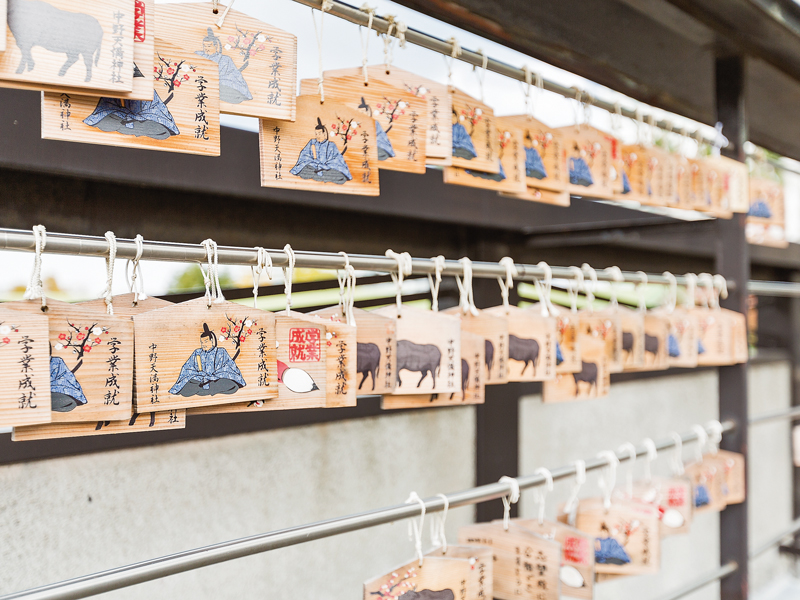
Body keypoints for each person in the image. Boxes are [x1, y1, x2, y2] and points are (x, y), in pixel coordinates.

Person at [170, 323, 245, 397]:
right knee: (187, 386)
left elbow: (229, 367)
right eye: (202, 342)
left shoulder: (221, 351)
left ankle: (204, 390)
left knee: (231, 385)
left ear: (211, 340)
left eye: (206, 341)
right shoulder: (197, 352)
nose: (203, 344)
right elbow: (187, 368)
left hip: (216, 380)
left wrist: (213, 376)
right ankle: (208, 390)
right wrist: (199, 374)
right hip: (200, 380)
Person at [83, 90, 180, 139]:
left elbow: (155, 112)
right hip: (122, 117)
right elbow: (107, 108)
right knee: (107, 122)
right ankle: (131, 126)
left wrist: (135, 118)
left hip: (145, 119)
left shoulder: (145, 87)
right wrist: (125, 115)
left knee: (161, 131)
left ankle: (133, 127)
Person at [196, 27, 253, 104]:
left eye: (209, 46)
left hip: (221, 84)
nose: (206, 48)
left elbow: (235, 75)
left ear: (216, 46)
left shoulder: (225, 59)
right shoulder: (199, 55)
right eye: (204, 46)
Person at [290, 118, 352, 184]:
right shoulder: (312, 142)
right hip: (313, 166)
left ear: (324, 133)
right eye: (316, 134)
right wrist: (314, 161)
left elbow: (337, 159)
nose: (317, 136)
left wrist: (326, 165)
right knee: (305, 170)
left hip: (327, 168)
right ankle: (320, 176)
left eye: (319, 133)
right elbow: (304, 155)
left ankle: (320, 176)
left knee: (338, 175)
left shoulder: (331, 145)